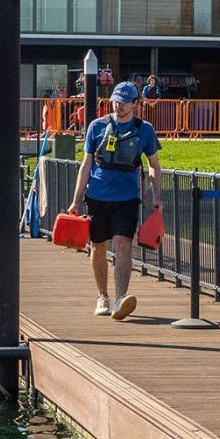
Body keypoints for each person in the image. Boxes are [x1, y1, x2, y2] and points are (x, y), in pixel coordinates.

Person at [67, 80, 163, 321]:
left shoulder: (145, 130)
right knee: (98, 246)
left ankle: (121, 298)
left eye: (124, 102)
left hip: (128, 197)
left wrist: (157, 198)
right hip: (97, 195)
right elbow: (86, 164)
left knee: (123, 244)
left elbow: (154, 166)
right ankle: (103, 296)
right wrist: (76, 201)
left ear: (135, 104)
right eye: (115, 102)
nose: (118, 106)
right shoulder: (96, 127)